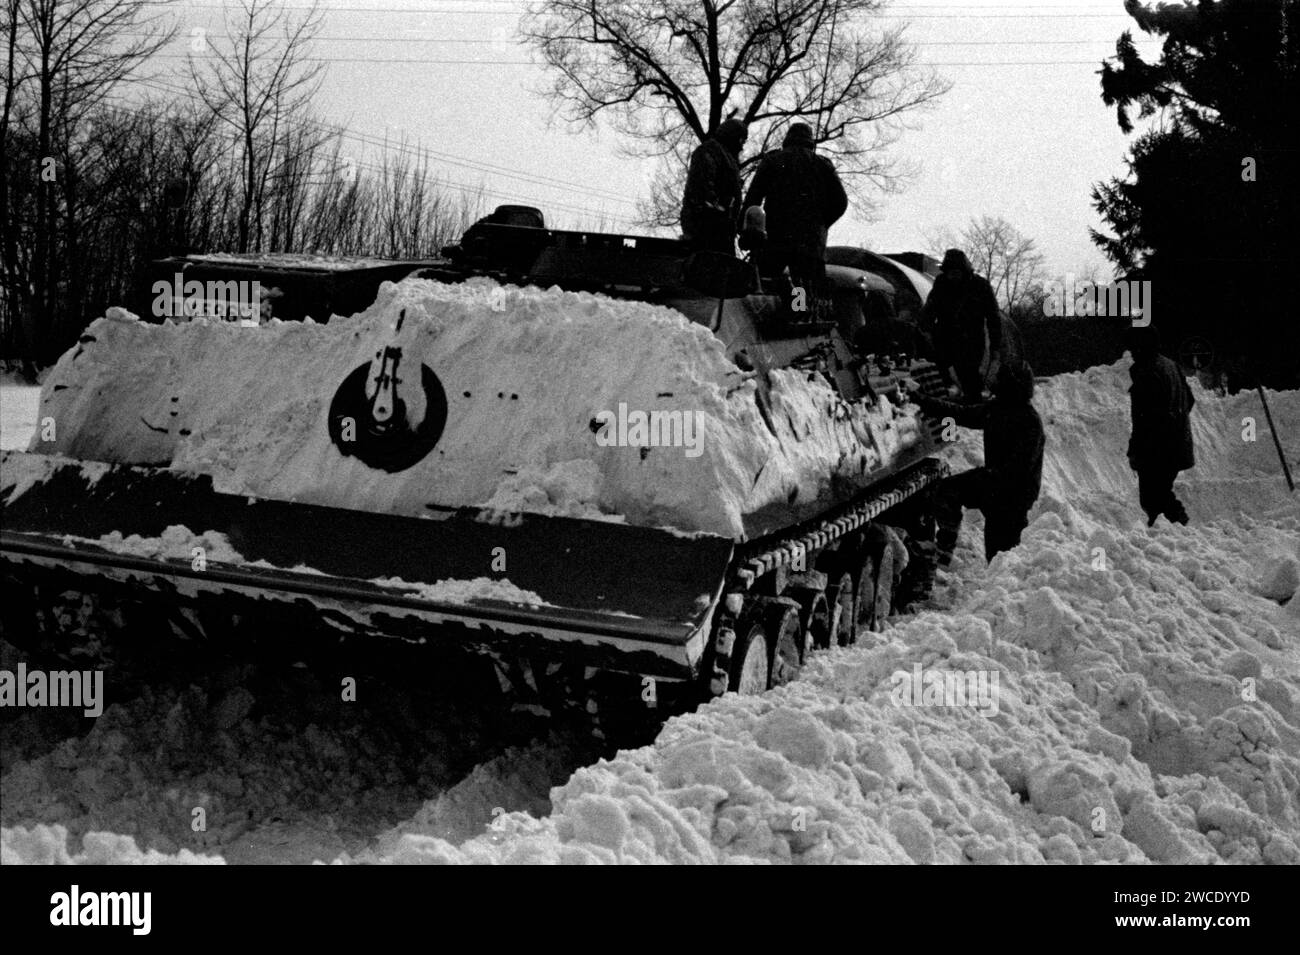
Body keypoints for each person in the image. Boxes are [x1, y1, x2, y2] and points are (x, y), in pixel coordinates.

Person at [908, 359, 1044, 564]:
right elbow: (958, 413)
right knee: (948, 491)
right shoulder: (999, 409)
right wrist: (919, 399)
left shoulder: (1028, 421)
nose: (994, 382)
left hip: (1013, 497)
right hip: (996, 489)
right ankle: (945, 547)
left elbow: (1018, 469)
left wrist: (985, 478)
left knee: (1001, 554)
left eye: (1000, 378)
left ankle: (998, 583)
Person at [741, 122, 848, 292]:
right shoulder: (823, 165)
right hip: (810, 246)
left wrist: (746, 230)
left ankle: (771, 315)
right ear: (810, 141)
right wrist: (821, 224)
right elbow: (840, 203)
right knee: (803, 290)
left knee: (764, 289)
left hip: (774, 240)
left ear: (787, 139)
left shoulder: (772, 160)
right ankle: (798, 312)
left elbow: (752, 201)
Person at [1127, 326, 1194, 526]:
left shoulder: (1148, 373)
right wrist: (1176, 420)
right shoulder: (1170, 366)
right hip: (1174, 443)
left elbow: (1144, 420)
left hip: (1157, 449)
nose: (1131, 353)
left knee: (1153, 497)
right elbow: (1189, 400)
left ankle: (1179, 528)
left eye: (1134, 347)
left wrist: (1136, 450)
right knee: (1159, 493)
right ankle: (1172, 531)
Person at [920, 249, 1002, 400]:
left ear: (964, 271)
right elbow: (930, 310)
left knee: (970, 379)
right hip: (944, 339)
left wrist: (996, 346)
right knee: (941, 379)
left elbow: (993, 318)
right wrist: (925, 332)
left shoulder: (980, 286)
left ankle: (973, 410)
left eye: (956, 272)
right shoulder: (941, 283)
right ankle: (948, 406)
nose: (953, 276)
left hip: (971, 341)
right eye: (950, 272)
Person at [680, 118, 747, 255]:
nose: (741, 147)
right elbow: (702, 189)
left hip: (721, 228)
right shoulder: (710, 151)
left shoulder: (724, 156)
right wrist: (718, 212)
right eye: (741, 141)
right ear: (732, 136)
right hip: (708, 227)